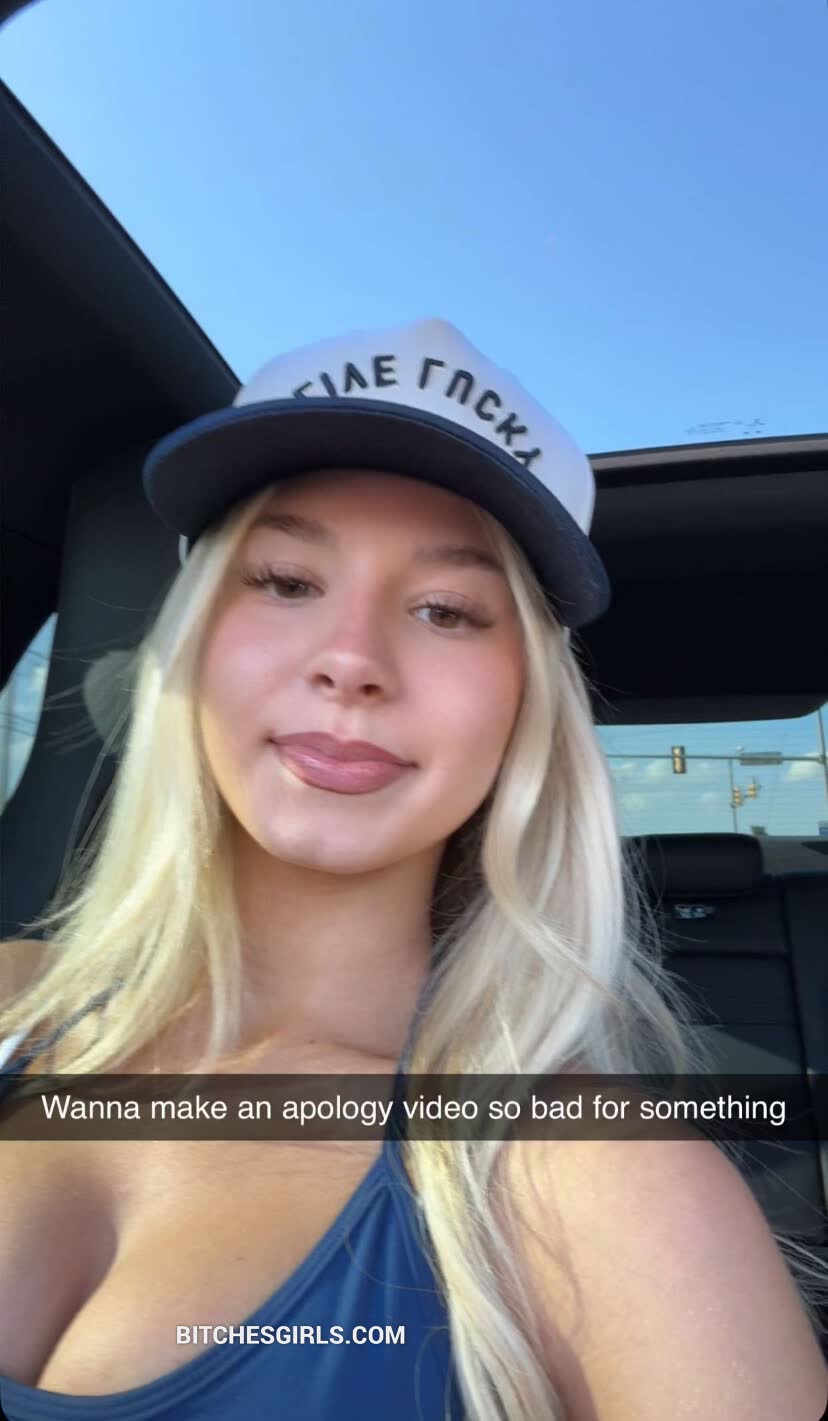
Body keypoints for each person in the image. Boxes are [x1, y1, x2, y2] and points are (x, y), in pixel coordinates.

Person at [0, 316, 826, 1420]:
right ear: (194, 639)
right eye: (286, 579)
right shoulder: (13, 1000)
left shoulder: (602, 1178)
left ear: (524, 706)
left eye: (445, 610)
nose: (351, 659)